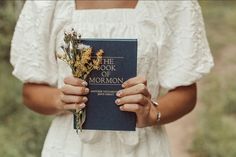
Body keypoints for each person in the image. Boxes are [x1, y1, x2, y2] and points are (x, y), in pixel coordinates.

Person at [10, 0, 214, 157]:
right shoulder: (46, 4)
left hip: (142, 148)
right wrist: (60, 99)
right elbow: (31, 92)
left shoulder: (172, 4)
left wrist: (153, 113)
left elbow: (186, 91)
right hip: (70, 148)